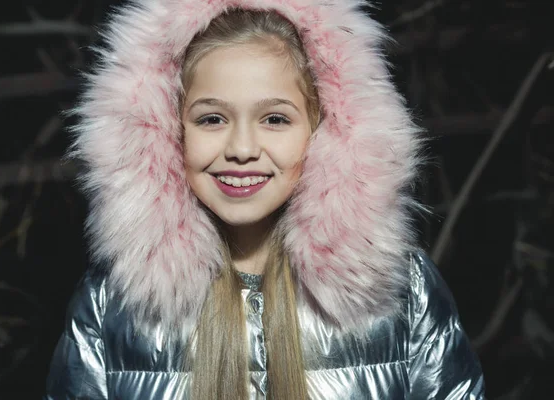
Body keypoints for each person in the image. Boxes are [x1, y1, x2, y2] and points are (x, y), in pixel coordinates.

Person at [44, 0, 485, 398]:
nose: (241, 148)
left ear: (325, 131)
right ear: (165, 133)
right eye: (212, 118)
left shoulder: (400, 290)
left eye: (275, 119)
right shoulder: (112, 301)